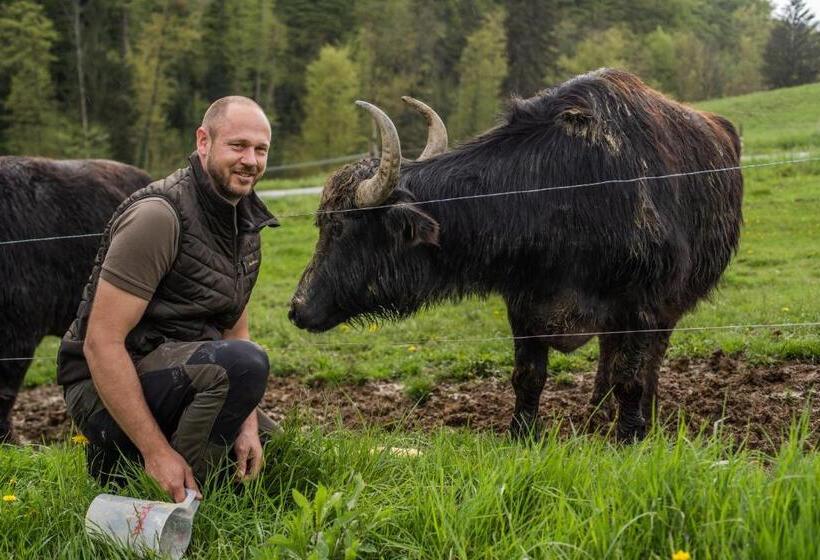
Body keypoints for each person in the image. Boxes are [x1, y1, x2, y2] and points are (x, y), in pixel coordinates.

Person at [57, 96, 280, 502]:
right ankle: (181, 500)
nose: (250, 160)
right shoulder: (158, 217)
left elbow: (235, 329)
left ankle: (115, 468)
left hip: (177, 370)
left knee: (272, 451)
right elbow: (100, 342)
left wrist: (247, 422)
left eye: (260, 149)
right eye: (238, 145)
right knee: (243, 366)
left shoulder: (244, 223)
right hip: (102, 389)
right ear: (203, 141)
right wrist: (157, 453)